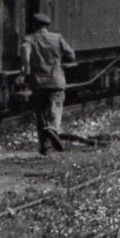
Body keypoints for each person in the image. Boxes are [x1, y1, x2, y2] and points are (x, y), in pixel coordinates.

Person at [22, 12, 75, 154]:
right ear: (47, 25)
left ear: (34, 25)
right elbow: (71, 55)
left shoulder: (29, 40)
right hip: (56, 79)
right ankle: (53, 128)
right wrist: (60, 62)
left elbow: (26, 61)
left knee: (40, 114)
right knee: (55, 107)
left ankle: (44, 146)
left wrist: (26, 72)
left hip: (38, 82)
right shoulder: (57, 38)